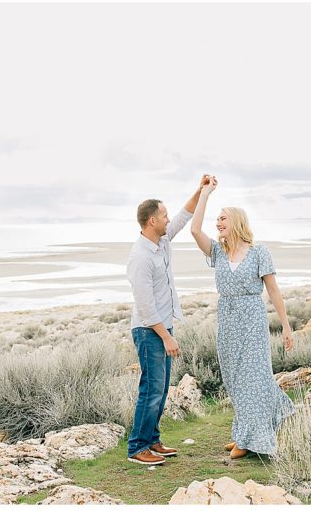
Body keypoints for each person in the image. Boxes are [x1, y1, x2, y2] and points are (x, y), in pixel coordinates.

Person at [190, 176, 296, 459]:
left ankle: (250, 440)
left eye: (222, 218)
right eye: (217, 219)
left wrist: (286, 327)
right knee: (234, 379)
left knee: (254, 376)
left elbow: (273, 291)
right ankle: (244, 432)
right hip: (227, 321)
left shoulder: (259, 252)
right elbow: (194, 229)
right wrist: (205, 194)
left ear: (236, 221)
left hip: (252, 321)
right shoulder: (218, 252)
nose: (218, 223)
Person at [126, 175, 212, 466]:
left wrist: (200, 191)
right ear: (151, 221)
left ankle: (152, 440)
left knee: (161, 389)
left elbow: (184, 216)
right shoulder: (140, 258)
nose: (167, 219)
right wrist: (166, 335)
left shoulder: (161, 241)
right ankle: (138, 447)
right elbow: (146, 307)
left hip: (162, 327)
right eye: (163, 215)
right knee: (151, 388)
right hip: (150, 330)